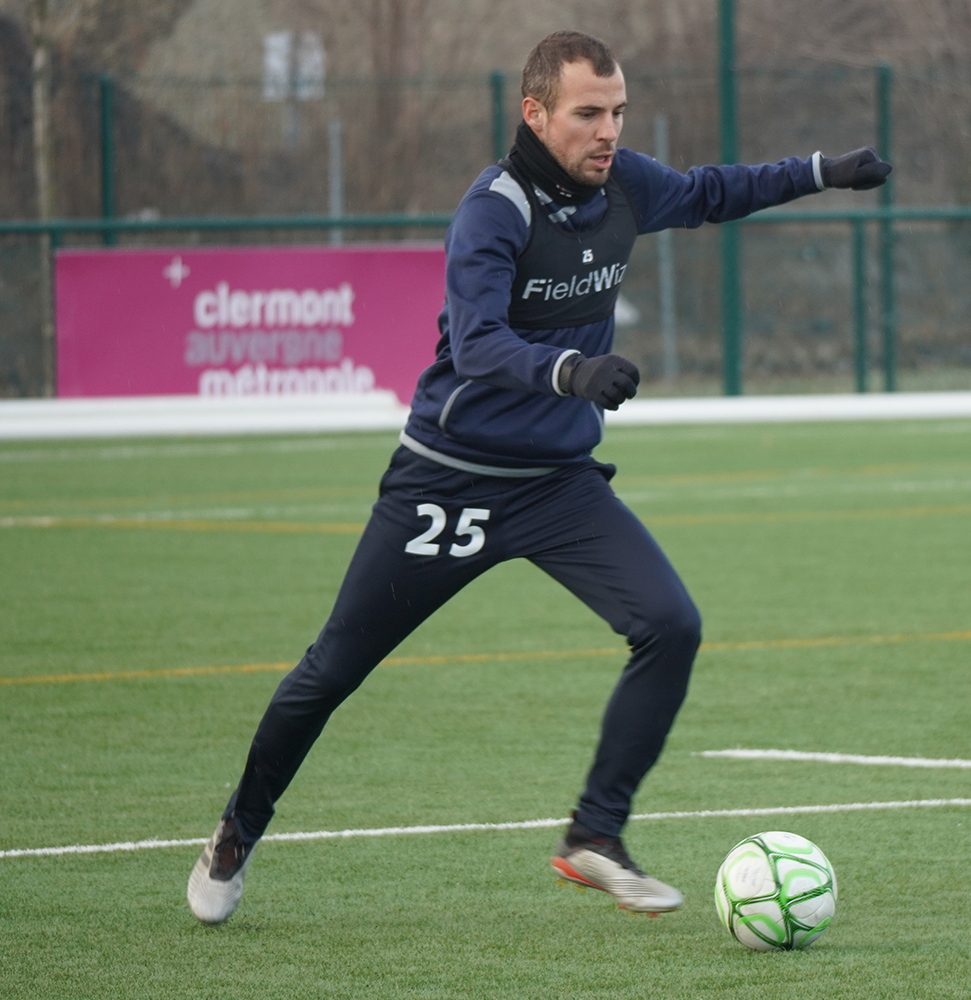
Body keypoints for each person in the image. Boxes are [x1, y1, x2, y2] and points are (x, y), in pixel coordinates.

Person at [187, 29, 891, 924]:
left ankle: (594, 834)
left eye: (618, 112)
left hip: (557, 484)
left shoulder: (626, 184)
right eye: (588, 114)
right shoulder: (494, 209)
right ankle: (239, 829)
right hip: (448, 480)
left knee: (670, 625)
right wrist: (572, 372)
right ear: (535, 112)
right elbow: (477, 344)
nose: (608, 131)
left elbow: (716, 191)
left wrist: (825, 170)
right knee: (334, 669)